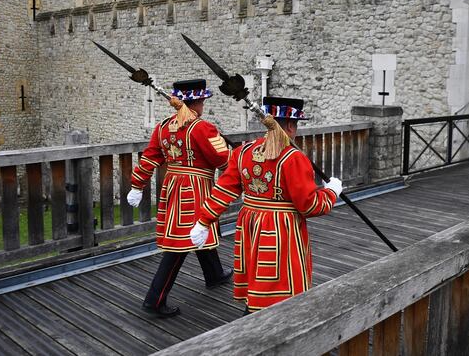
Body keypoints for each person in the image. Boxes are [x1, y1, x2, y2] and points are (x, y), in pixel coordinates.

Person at [190, 96, 342, 314]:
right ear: (290, 125)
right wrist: (332, 192)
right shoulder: (293, 157)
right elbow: (310, 205)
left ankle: (252, 315)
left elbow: (224, 189)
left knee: (257, 276)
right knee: (281, 283)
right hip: (282, 229)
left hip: (250, 223)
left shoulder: (243, 151)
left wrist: (204, 221)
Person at [127, 79, 233, 318]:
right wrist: (235, 155)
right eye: (203, 100)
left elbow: (151, 157)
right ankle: (154, 300)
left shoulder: (164, 127)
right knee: (181, 243)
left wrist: (137, 184)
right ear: (198, 102)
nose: (204, 104)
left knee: (195, 232)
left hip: (173, 186)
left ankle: (214, 274)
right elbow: (222, 160)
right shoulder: (202, 128)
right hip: (195, 189)